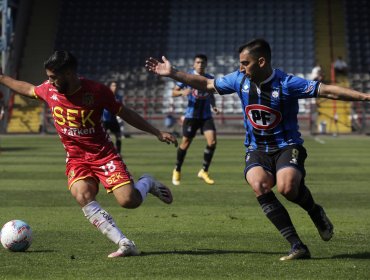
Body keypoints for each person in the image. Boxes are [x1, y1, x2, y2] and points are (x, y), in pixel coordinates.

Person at [145, 38, 370, 261]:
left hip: (286, 145)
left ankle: (315, 211)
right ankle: (297, 245)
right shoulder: (238, 80)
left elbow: (327, 91)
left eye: (245, 63)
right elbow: (206, 84)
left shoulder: (287, 83)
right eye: (240, 63)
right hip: (257, 148)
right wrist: (172, 72)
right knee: (259, 184)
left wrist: (365, 96)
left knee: (287, 187)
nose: (241, 68)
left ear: (261, 62)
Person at [0, 50, 178, 258]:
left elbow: (125, 113)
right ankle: (124, 243)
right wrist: (2, 78)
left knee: (129, 201)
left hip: (103, 155)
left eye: (53, 77)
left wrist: (156, 132)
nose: (49, 82)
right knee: (82, 194)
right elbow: (28, 89)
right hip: (76, 158)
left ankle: (147, 182)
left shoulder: (96, 91)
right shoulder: (49, 90)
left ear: (68, 74)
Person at [171, 54, 219, 186]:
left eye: (203, 62)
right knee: (185, 143)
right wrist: (182, 93)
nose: (200, 64)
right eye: (198, 62)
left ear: (206, 64)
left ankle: (204, 171)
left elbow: (211, 94)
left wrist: (213, 105)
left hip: (206, 116)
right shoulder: (187, 77)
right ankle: (177, 169)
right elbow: (173, 92)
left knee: (212, 141)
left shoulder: (209, 78)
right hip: (191, 116)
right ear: (194, 64)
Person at [102, 81, 123, 154]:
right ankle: (103, 152)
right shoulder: (105, 96)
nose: (115, 87)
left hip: (114, 120)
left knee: (118, 136)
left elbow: (121, 107)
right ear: (110, 87)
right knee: (103, 138)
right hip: (105, 120)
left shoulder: (119, 97)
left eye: (116, 86)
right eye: (113, 86)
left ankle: (118, 153)